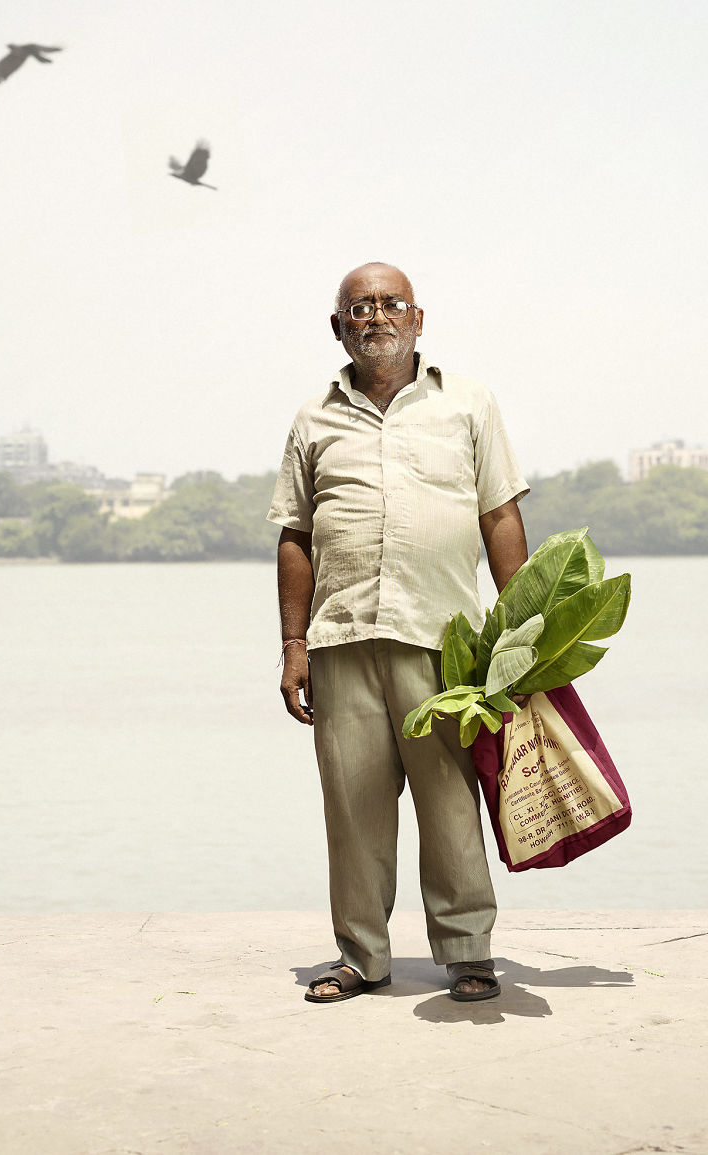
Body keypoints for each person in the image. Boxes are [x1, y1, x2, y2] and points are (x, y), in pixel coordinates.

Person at [267, 262, 529, 1003]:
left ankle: (469, 949)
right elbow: (296, 534)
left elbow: (500, 516)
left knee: (451, 800)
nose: (375, 316)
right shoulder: (313, 419)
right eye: (359, 307)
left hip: (443, 639)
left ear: (418, 320)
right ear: (338, 327)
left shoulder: (469, 405)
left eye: (391, 305)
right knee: (353, 808)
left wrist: (524, 636)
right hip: (341, 640)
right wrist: (293, 646)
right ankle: (361, 954)